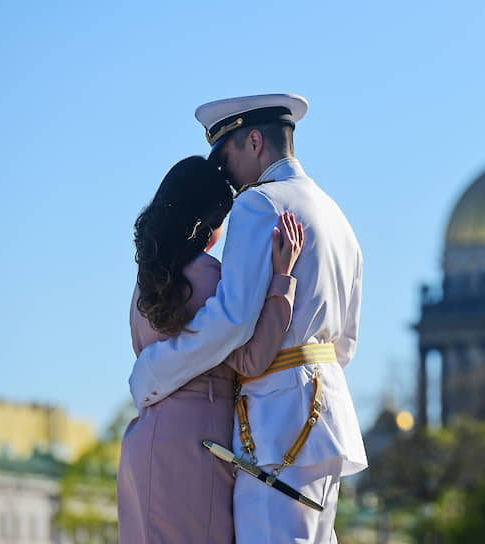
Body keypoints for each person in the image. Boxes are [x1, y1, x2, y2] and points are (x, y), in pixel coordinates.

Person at [128, 94, 366, 543]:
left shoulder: (260, 204)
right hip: (329, 420)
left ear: (254, 141)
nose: (225, 174)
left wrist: (155, 371)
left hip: (277, 426)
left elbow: (232, 321)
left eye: (225, 155)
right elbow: (346, 344)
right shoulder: (337, 216)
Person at [117, 155, 305, 543]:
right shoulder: (210, 278)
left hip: (144, 441)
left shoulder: (145, 282)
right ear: (212, 225)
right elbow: (250, 358)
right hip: (196, 446)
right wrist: (282, 281)